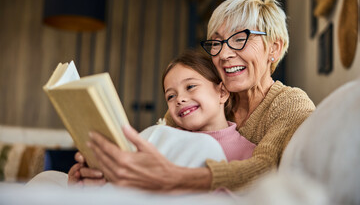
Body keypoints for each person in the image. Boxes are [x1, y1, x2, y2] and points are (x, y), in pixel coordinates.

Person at [68, 0, 315, 192]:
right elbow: (155, 149)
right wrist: (106, 171)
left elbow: (265, 168)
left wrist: (178, 178)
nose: (224, 54)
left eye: (240, 38)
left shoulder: (290, 103)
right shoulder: (205, 95)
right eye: (217, 43)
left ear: (274, 47)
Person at [68, 51, 256, 185]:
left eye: (190, 87)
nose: (180, 99)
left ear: (222, 92)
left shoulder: (247, 153)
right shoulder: (165, 139)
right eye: (170, 96)